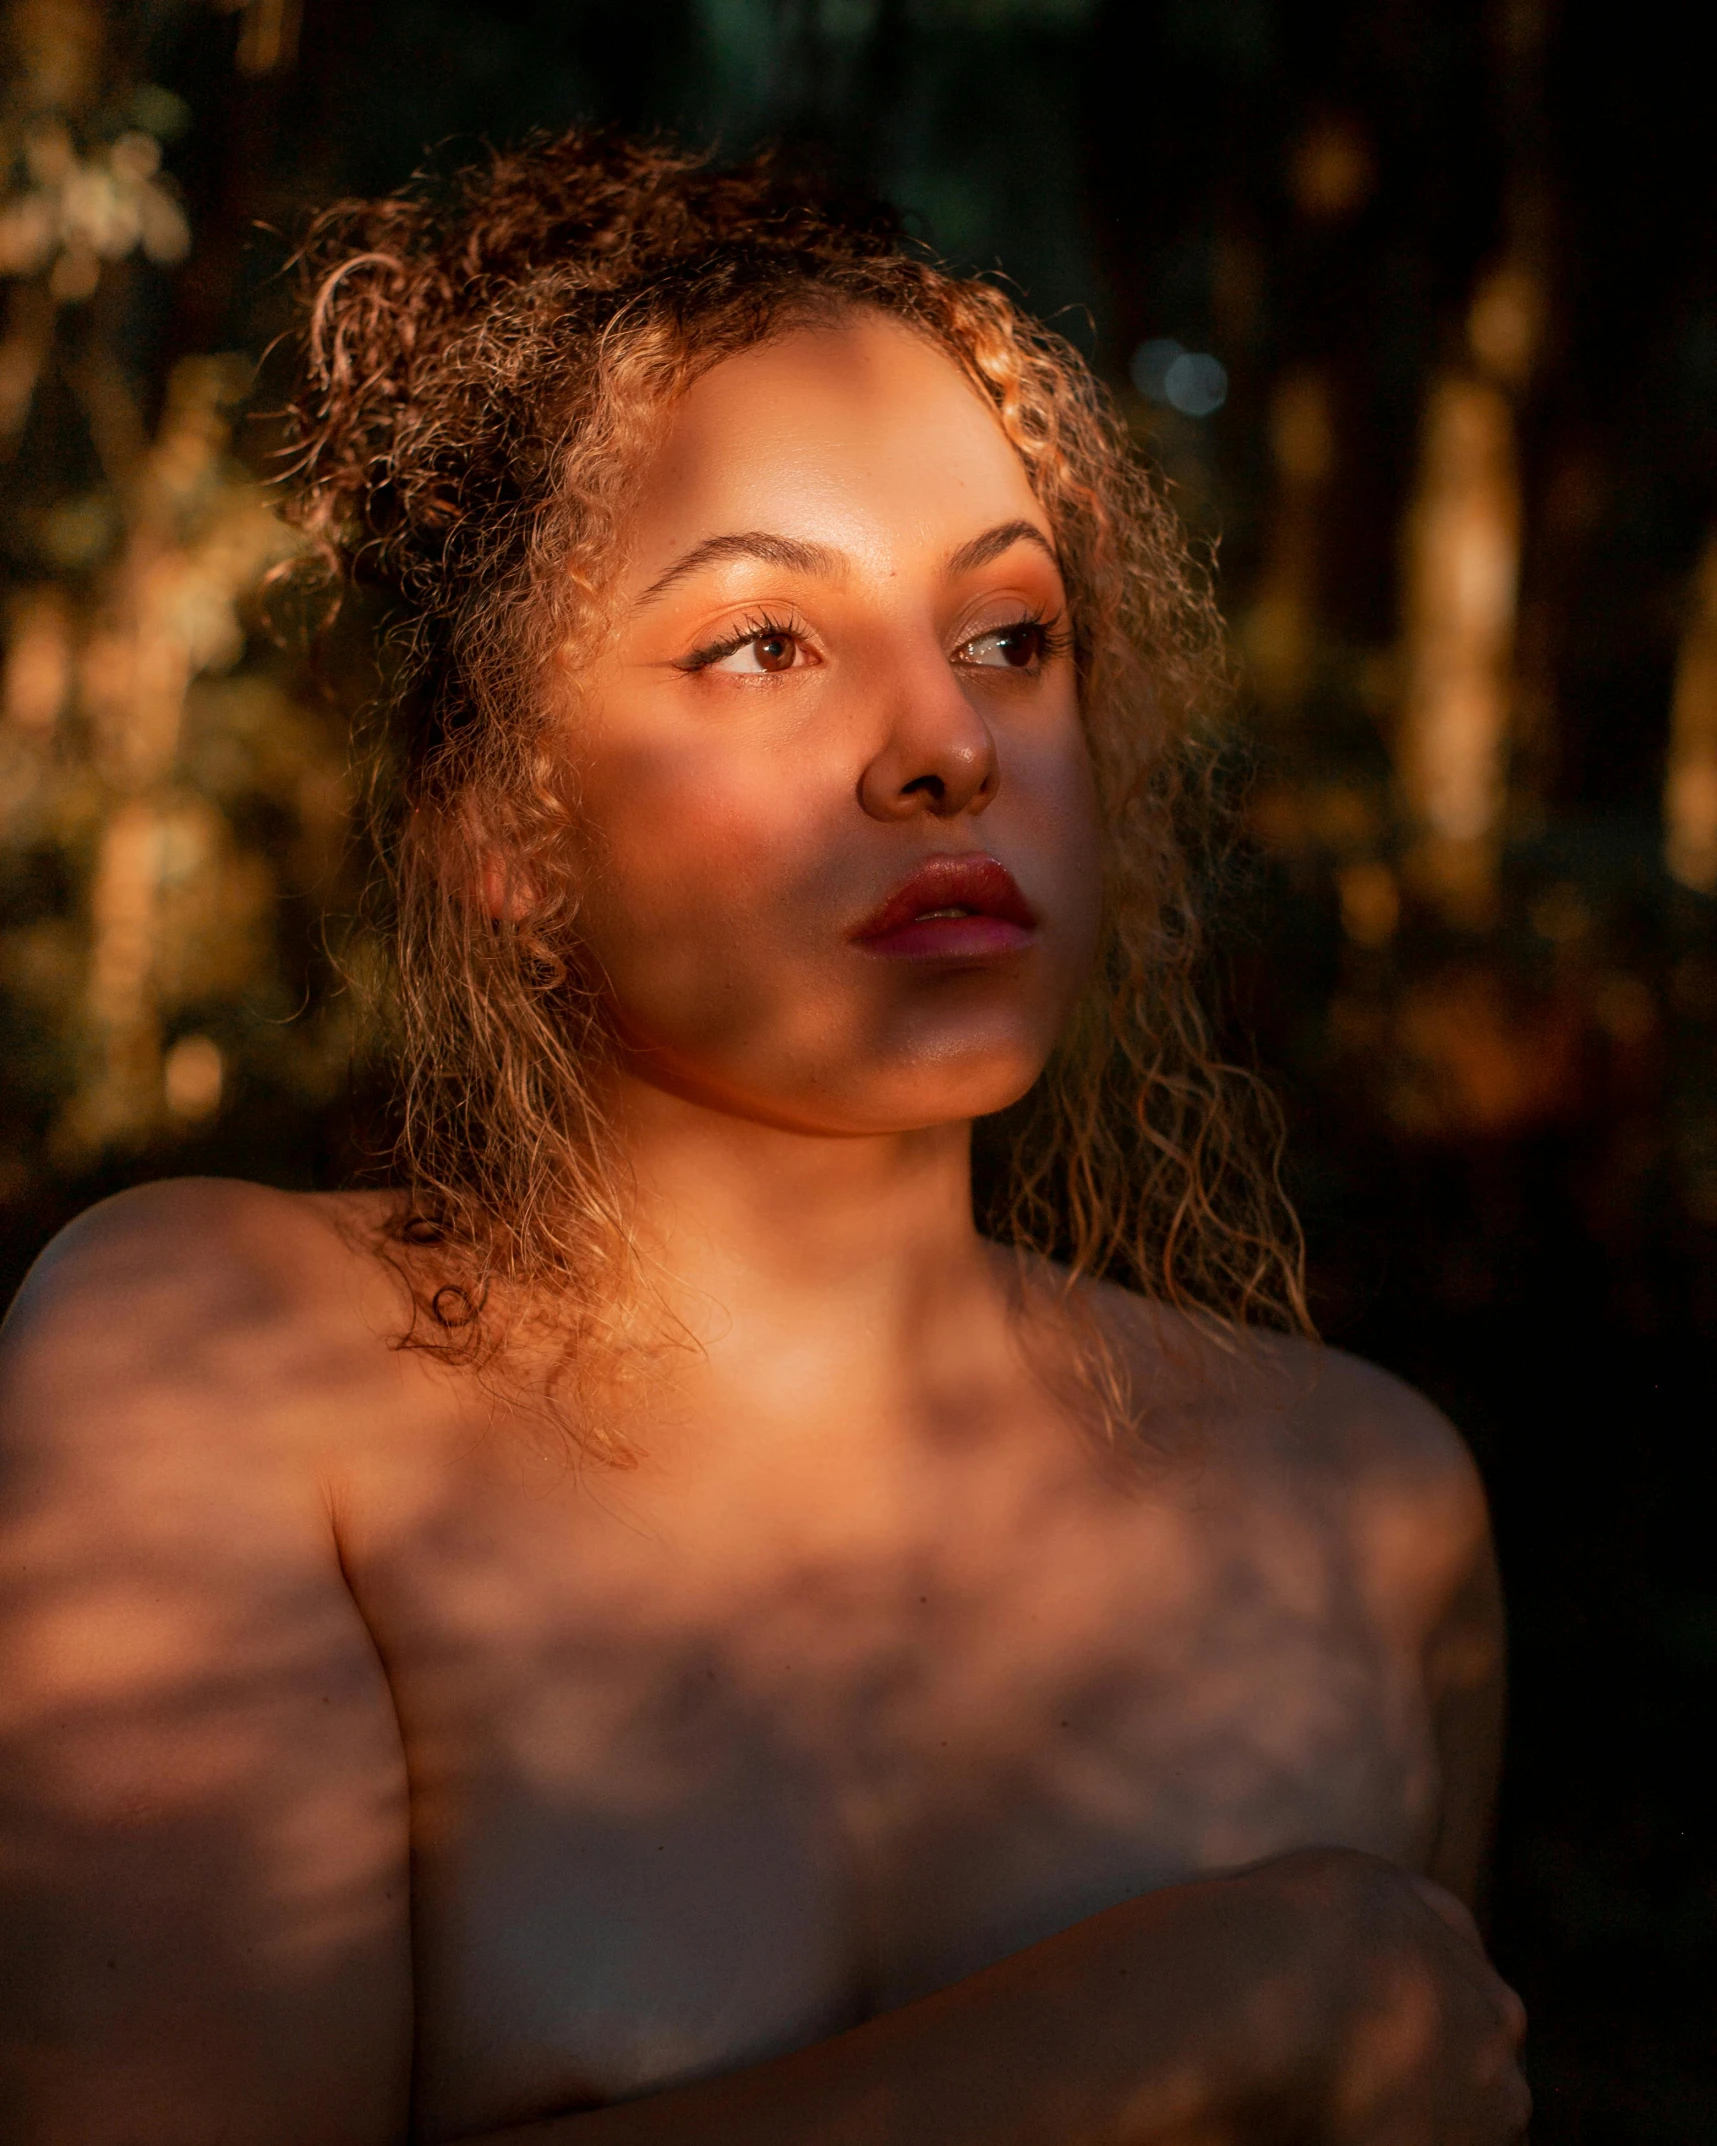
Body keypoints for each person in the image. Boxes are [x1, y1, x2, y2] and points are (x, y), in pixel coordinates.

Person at [0, 132, 1528, 2146]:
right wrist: (1207, 2011)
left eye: (1012, 634)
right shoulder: (224, 1363)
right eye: (762, 644)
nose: (946, 741)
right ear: (501, 829)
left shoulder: (1372, 1506)